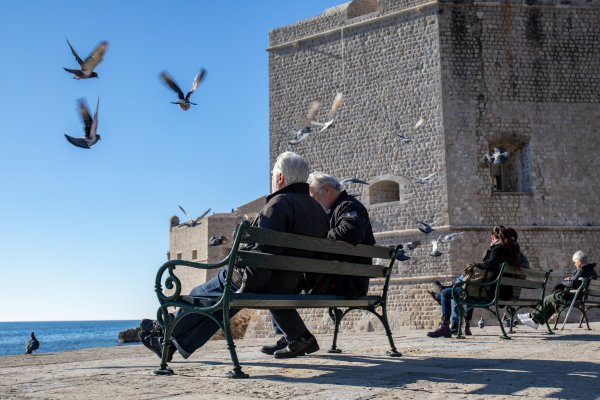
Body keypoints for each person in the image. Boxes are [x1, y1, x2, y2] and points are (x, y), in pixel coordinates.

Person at [139, 151, 329, 360]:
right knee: (220, 305)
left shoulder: (279, 204)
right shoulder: (318, 210)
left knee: (200, 294)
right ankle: (168, 341)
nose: (272, 179)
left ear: (281, 178)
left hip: (264, 280)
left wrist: (244, 282)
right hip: (291, 283)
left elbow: (262, 254)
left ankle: (164, 330)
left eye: (273, 175)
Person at [260, 172, 376, 356]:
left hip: (345, 284)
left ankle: (297, 337)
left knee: (271, 286)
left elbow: (351, 232)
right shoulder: (340, 208)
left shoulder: (348, 206)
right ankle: (291, 335)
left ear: (327, 190)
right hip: (343, 279)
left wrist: (319, 237)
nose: (312, 201)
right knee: (279, 281)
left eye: (313, 195)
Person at [427, 225, 521, 338]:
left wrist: (475, 265)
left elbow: (489, 265)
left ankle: (445, 326)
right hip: (500, 291)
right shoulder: (512, 252)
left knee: (447, 293)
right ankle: (451, 296)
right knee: (462, 287)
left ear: (495, 237)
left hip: (490, 292)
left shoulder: (498, 249)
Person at [518, 250, 597, 330]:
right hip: (579, 296)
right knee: (553, 302)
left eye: (574, 262)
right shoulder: (591, 271)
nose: (574, 264)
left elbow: (573, 284)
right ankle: (534, 320)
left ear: (579, 262)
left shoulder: (581, 270)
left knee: (547, 299)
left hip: (571, 296)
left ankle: (533, 318)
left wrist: (565, 281)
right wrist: (573, 278)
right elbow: (579, 282)